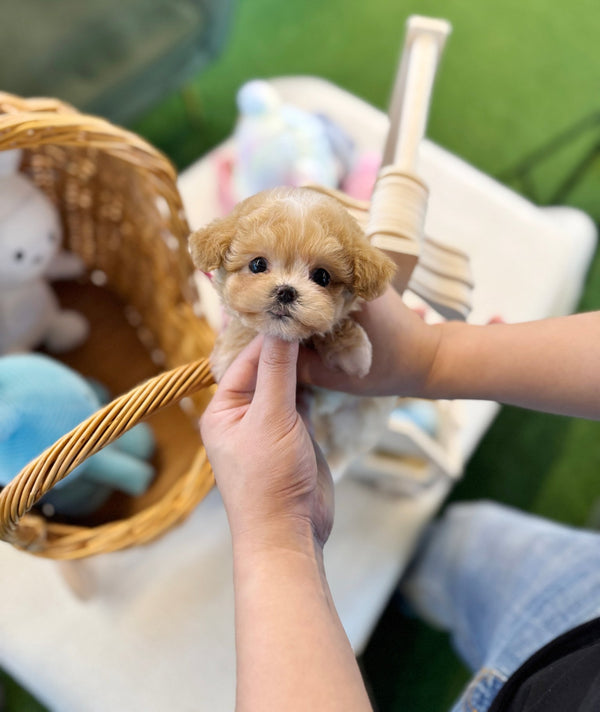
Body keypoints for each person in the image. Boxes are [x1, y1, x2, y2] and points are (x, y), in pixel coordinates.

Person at [200, 287, 600, 712]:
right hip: (583, 616)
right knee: (468, 538)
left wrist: (277, 533)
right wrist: (431, 357)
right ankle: (414, 577)